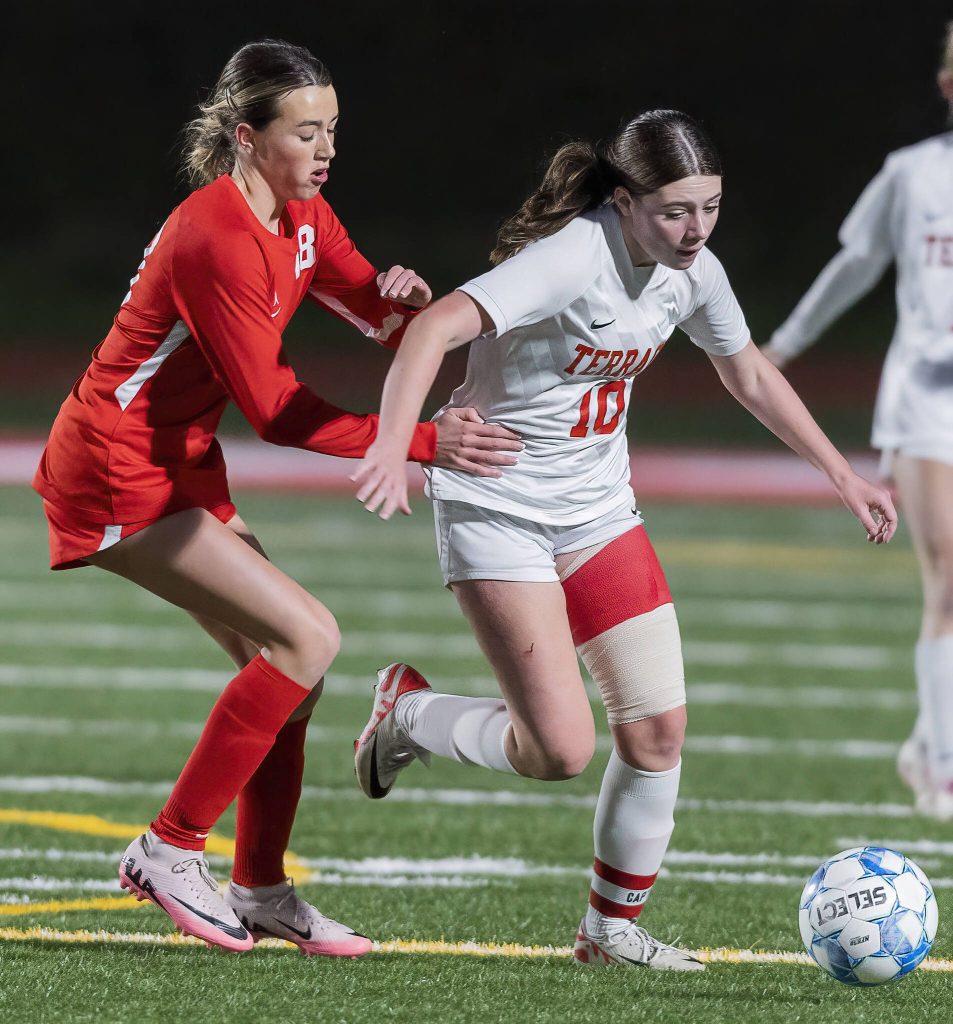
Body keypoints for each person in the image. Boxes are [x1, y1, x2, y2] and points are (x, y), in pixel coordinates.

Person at [350, 109, 897, 971]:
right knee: (559, 751)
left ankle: (607, 933)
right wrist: (394, 443)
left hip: (599, 510)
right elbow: (432, 327)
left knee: (657, 735)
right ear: (622, 200)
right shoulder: (573, 256)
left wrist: (843, 473)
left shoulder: (694, 270)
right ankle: (409, 713)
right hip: (500, 506)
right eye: (676, 210)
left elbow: (746, 368)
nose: (696, 230)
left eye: (710, 207)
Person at [32, 39, 521, 955]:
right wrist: (423, 444)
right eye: (306, 132)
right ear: (245, 136)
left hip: (176, 460)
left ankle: (258, 889)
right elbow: (277, 413)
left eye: (332, 129)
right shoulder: (216, 235)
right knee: (308, 637)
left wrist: (407, 306)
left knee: (292, 675)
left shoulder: (301, 213)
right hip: (115, 465)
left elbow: (377, 315)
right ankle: (169, 849)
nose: (326, 149)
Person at [763, 24, 953, 821]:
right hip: (925, 399)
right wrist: (782, 346)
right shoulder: (910, 176)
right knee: (948, 578)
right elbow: (854, 264)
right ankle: (942, 766)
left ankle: (924, 737)